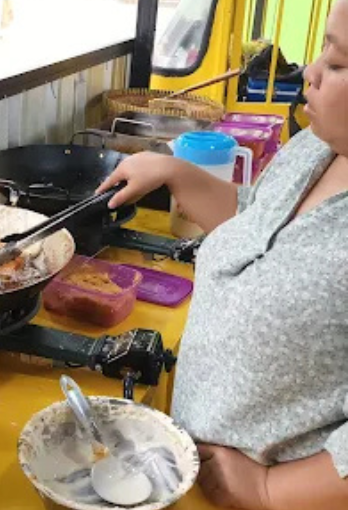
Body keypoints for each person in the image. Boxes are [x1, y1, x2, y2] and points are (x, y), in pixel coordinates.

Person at [97, 2, 348, 509]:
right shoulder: (317, 147)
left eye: (339, 62)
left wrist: (269, 491)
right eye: (324, 46)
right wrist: (174, 173)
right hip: (197, 472)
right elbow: (254, 221)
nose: (311, 70)